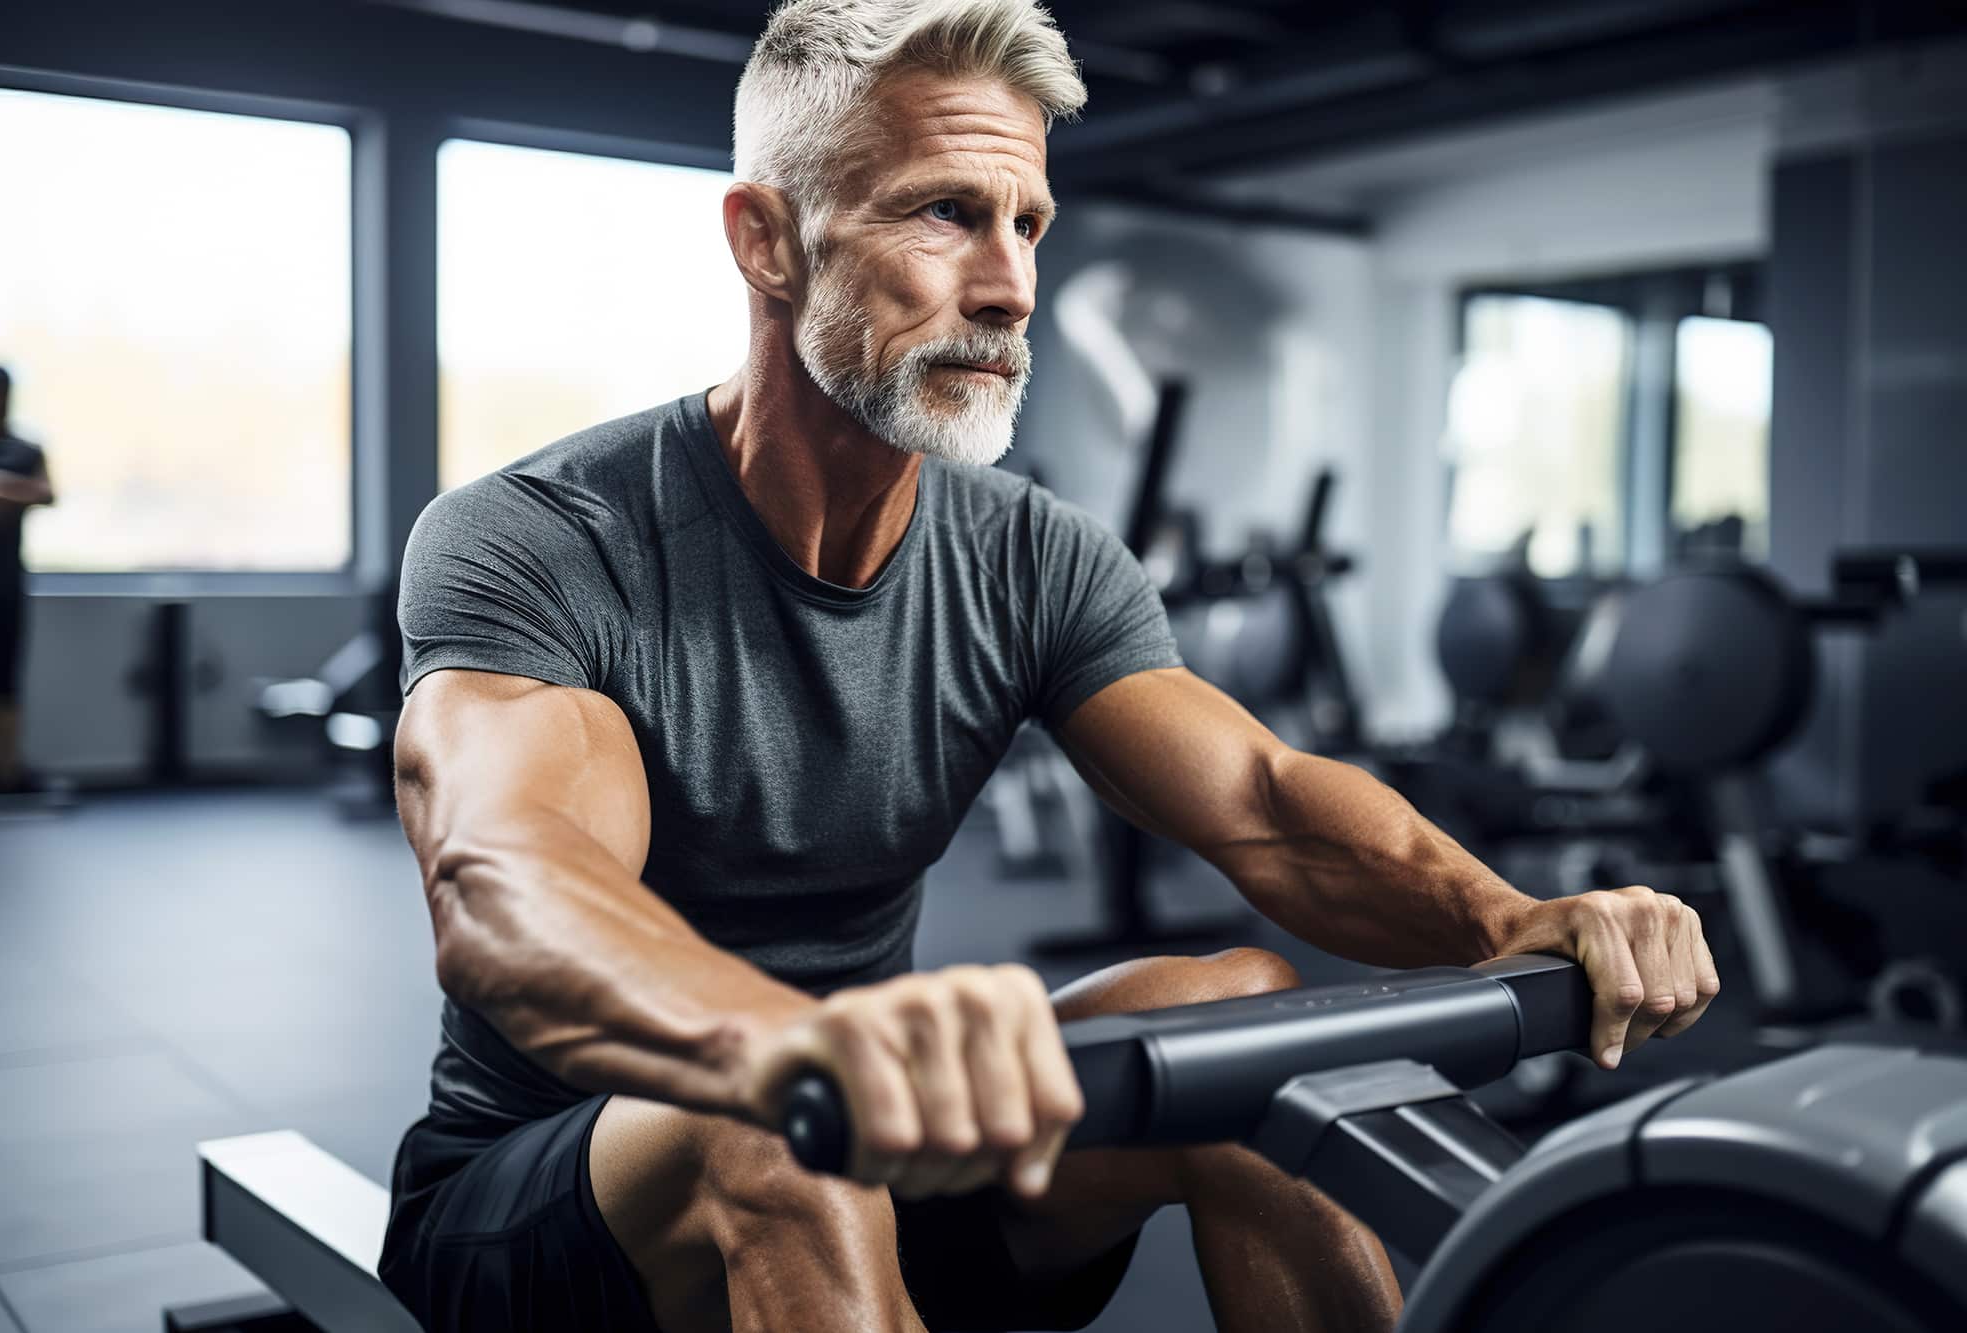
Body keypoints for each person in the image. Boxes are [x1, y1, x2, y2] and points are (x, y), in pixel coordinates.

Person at [378, 3, 1721, 1330]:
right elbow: (510, 889)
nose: (1012, 285)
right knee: (774, 1142)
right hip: (558, 1206)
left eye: (1027, 224)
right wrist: (778, 1049)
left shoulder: (1032, 554)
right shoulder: (550, 538)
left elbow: (1260, 802)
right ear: (768, 240)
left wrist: (1505, 918)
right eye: (943, 213)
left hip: (883, 1139)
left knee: (1237, 1026)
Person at [0, 364, 54, 793]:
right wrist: (9, 491)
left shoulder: (26, 449)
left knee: (4, 676)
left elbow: (46, 493)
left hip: (6, 582)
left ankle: (6, 771)